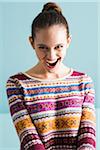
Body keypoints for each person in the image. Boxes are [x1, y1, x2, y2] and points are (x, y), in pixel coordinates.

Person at [6, 2, 96, 150]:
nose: (51, 56)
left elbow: (88, 136)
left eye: (58, 47)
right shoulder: (16, 84)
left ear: (68, 42)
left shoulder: (84, 82)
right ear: (31, 42)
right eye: (43, 47)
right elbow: (29, 138)